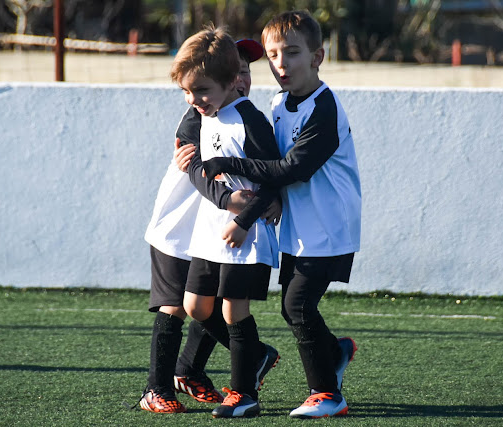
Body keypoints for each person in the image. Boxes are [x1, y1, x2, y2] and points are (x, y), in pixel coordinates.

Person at [202, 10, 361, 418]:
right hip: (297, 229)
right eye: (274, 55)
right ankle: (335, 351)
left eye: (292, 52)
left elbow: (292, 168)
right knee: (294, 305)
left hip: (328, 228)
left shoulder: (324, 108)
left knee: (297, 305)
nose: (281, 63)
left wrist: (230, 165)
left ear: (317, 56)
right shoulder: (277, 104)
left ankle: (327, 393)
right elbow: (274, 166)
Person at [138, 38, 279, 414]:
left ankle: (205, 374)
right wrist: (229, 201)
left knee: (215, 305)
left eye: (250, 71)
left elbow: (270, 172)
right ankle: (157, 389)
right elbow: (197, 167)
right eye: (189, 90)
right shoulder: (198, 115)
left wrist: (266, 201)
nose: (246, 78)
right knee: (177, 306)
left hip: (217, 230)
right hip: (179, 227)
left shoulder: (245, 117)